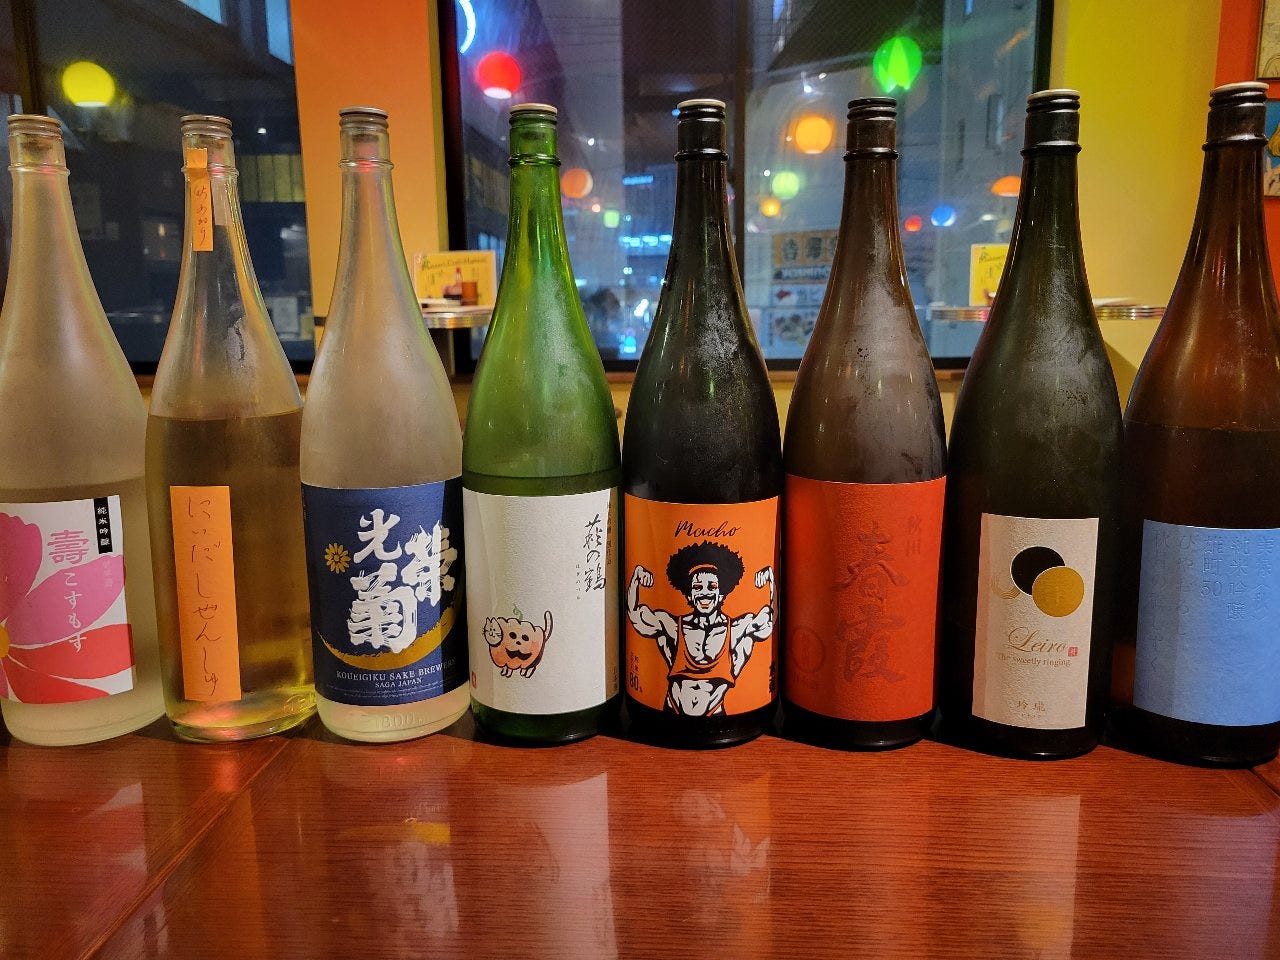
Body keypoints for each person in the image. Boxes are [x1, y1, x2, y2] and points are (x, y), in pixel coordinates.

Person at [627, 540, 773, 716]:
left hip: (717, 710)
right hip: (671, 707)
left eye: (712, 587)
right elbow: (635, 615)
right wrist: (636, 578)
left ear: (721, 594)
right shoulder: (673, 626)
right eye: (697, 588)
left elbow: (769, 621)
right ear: (689, 595)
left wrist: (771, 581)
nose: (704, 593)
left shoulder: (736, 629)